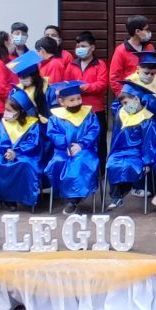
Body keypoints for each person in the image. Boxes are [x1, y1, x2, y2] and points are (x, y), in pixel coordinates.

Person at [45, 81, 102, 215]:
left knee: (80, 163)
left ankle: (74, 199)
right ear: (61, 101)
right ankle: (67, 194)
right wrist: (66, 145)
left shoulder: (89, 114)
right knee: (56, 163)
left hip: (85, 149)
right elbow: (53, 134)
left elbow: (94, 130)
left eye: (78, 98)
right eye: (72, 100)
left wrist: (81, 144)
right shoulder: (55, 117)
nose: (76, 102)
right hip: (63, 150)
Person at [105, 81, 156, 210]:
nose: (123, 106)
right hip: (120, 151)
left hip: (137, 153)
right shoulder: (121, 114)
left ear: (136, 99)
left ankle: (122, 193)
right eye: (122, 104)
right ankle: (116, 197)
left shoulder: (147, 120)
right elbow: (115, 105)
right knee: (112, 164)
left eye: (125, 103)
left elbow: (149, 143)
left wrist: (147, 162)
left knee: (131, 166)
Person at [0, 88, 45, 211]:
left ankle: (25, 197)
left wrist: (17, 152)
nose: (6, 113)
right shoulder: (4, 122)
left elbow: (33, 143)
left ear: (20, 111)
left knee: (24, 164)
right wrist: (7, 151)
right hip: (5, 153)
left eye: (9, 110)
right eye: (5, 109)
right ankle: (7, 200)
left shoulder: (32, 124)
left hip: (27, 155)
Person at [66, 31, 110, 158]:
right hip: (76, 109)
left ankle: (101, 172)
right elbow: (66, 83)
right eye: (78, 46)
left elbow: (102, 84)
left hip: (96, 110)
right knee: (79, 140)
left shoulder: (100, 64)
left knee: (100, 140)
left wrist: (86, 87)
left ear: (92, 48)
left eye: (83, 46)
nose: (80, 49)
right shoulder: (72, 64)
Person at [109, 15, 156, 95]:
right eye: (146, 30)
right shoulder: (121, 51)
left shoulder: (150, 47)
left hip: (148, 94)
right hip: (129, 96)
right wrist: (124, 96)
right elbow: (114, 78)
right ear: (137, 31)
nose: (149, 32)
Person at [8, 51, 56, 121]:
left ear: (34, 75)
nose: (22, 80)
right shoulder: (16, 90)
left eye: (25, 77)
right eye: (20, 77)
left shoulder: (48, 90)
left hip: (46, 124)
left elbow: (54, 110)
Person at [124, 51, 156, 117]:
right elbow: (119, 106)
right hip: (136, 123)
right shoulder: (130, 83)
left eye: (152, 74)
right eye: (146, 73)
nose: (149, 76)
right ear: (138, 69)